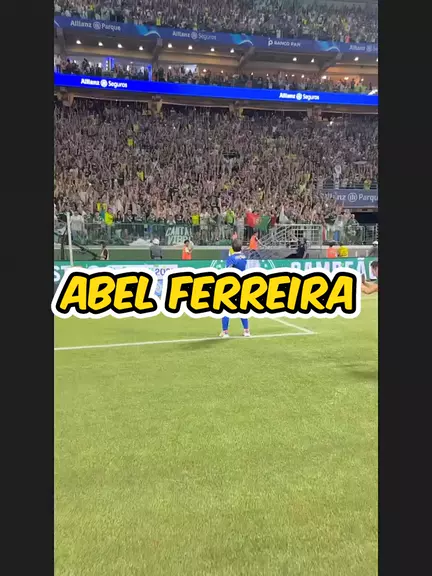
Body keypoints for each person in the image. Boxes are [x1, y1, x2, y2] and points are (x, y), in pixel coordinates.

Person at [220, 239, 250, 338]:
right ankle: (246, 331)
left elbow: (227, 271)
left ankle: (225, 331)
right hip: (242, 284)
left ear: (232, 248)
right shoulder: (244, 257)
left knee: (226, 307)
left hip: (232, 284)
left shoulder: (231, 258)